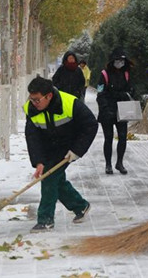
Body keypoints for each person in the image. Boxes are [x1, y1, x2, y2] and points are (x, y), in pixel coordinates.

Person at [23, 76, 98, 233]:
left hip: (68, 146)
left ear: (48, 96)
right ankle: (80, 206)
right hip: (48, 146)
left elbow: (90, 124)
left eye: (37, 100)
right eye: (31, 99)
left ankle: (45, 219)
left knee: (49, 179)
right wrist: (38, 161)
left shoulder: (70, 103)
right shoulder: (31, 109)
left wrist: (77, 150)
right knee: (56, 180)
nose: (34, 103)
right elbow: (33, 137)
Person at [96, 47, 134, 175]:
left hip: (122, 110)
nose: (120, 63)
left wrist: (126, 95)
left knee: (123, 137)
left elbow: (131, 90)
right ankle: (108, 164)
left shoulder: (127, 74)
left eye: (122, 60)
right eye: (117, 60)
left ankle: (120, 163)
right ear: (112, 61)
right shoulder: (104, 74)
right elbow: (100, 93)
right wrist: (105, 108)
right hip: (108, 110)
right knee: (109, 138)